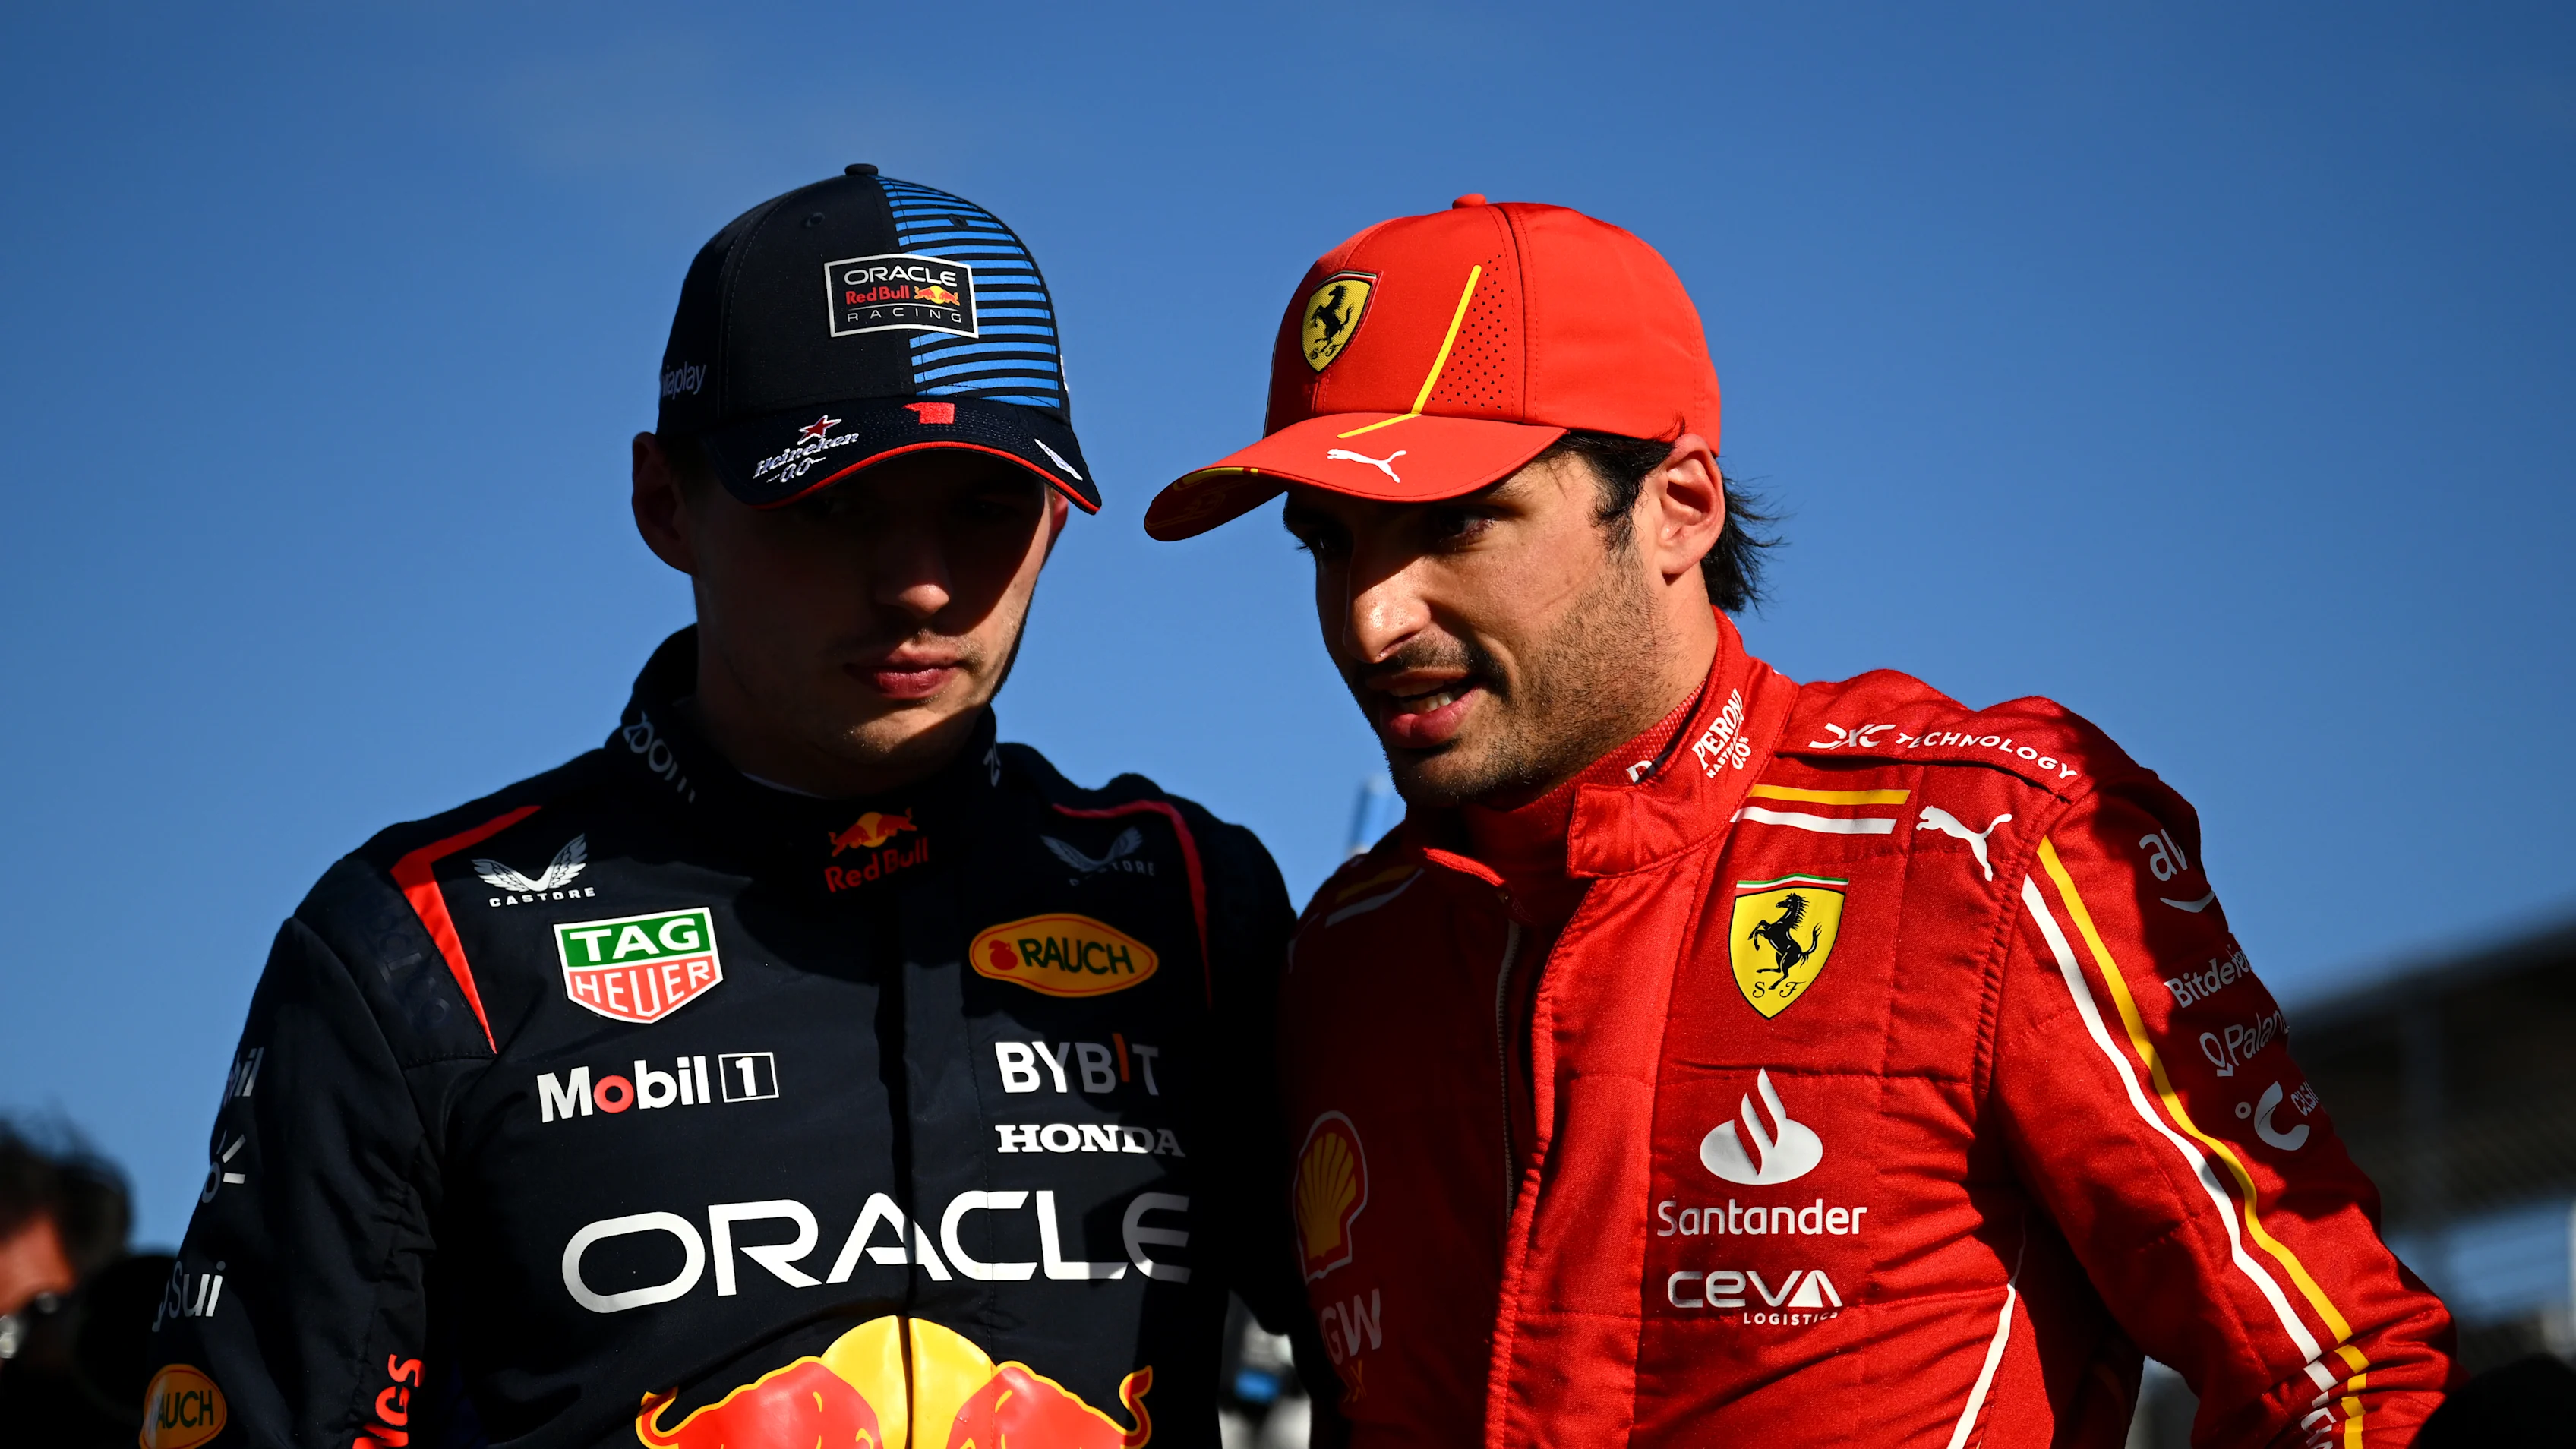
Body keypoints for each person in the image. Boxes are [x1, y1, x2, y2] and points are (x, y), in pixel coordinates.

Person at [1144, 197, 2457, 1445]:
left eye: (1456, 525)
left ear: (1678, 509)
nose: (1373, 619)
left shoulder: (1987, 844)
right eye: (1330, 543)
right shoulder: (1343, 958)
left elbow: (2342, 1377)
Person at [147, 166, 1308, 1449]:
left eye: (986, 506)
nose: (921, 585)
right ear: (665, 504)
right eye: (837, 503)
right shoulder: (422, 943)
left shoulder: (1191, 901)